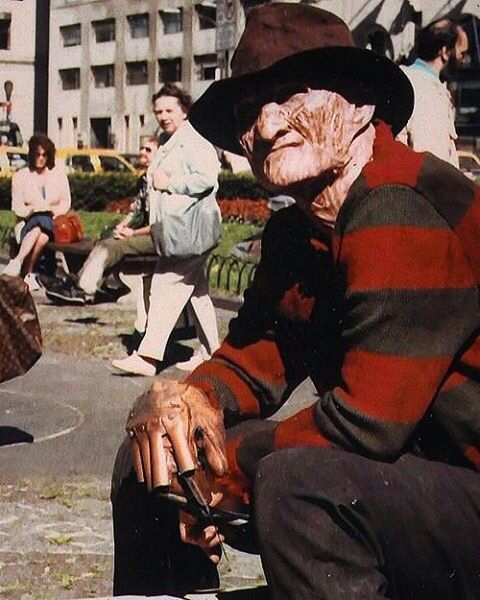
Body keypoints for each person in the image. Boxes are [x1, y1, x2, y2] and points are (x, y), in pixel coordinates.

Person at [112, 4, 480, 599]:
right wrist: (181, 403)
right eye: (248, 111)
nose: (266, 125)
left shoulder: (402, 203)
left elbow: (367, 424)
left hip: (465, 491)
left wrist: (218, 474)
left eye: (291, 95)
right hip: (421, 493)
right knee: (153, 449)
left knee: (300, 484)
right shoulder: (299, 233)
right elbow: (251, 362)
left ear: (361, 106)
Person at [111, 84, 221, 376]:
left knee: (164, 284)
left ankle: (148, 357)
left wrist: (169, 181)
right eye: (158, 111)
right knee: (197, 294)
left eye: (169, 110)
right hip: (176, 230)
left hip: (191, 229)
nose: (163, 116)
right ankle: (212, 355)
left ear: (184, 111)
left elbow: (207, 179)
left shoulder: (194, 140)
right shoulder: (168, 140)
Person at [42, 136, 159, 305]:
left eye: (148, 150)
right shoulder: (144, 180)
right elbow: (136, 211)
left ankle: (84, 289)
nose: (142, 152)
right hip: (143, 232)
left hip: (157, 237)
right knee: (106, 238)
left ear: (159, 154)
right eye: (142, 148)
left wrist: (132, 233)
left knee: (115, 246)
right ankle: (89, 283)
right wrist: (122, 226)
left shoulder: (160, 182)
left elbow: (158, 224)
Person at [2, 133, 71, 290]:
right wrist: (32, 209)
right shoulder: (21, 176)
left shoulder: (58, 175)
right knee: (41, 230)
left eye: (44, 155)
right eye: (37, 154)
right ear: (32, 155)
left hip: (54, 220)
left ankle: (19, 263)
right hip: (28, 221)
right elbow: (17, 207)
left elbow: (66, 201)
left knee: (43, 224)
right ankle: (29, 272)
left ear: (49, 156)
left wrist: (52, 210)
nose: (41, 158)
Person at [397, 18, 469, 166]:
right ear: (445, 52)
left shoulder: (408, 78)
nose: (463, 59)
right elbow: (433, 166)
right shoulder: (427, 92)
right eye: (462, 52)